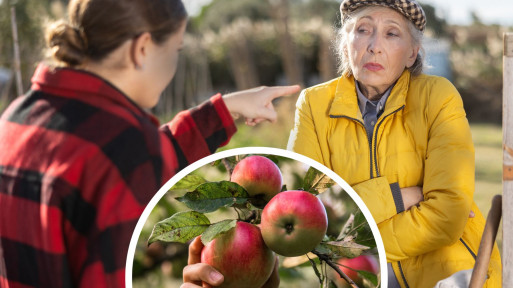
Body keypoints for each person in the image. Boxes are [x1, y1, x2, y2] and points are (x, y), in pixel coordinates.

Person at [0, 0, 300, 287]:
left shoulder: (17, 117)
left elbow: (126, 155)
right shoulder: (128, 147)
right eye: (175, 50)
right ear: (142, 48)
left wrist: (230, 107)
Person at [287, 0, 501, 287]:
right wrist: (402, 197)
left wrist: (351, 242)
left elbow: (447, 215)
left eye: (391, 33)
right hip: (357, 276)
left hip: (446, 270)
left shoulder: (438, 97)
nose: (375, 45)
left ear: (412, 53)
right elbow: (305, 212)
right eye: (363, 29)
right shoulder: (314, 104)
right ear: (346, 43)